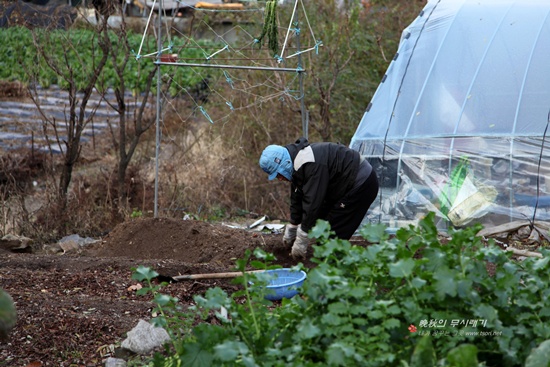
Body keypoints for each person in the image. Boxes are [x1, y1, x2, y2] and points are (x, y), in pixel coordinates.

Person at [259, 137, 379, 259]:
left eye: (278, 174)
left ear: (284, 163)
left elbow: (313, 201)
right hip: (341, 186)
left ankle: (335, 267)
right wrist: (293, 225)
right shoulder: (296, 164)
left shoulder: (310, 163)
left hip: (361, 183)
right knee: (319, 224)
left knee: (330, 239)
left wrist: (302, 236)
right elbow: (297, 196)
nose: (279, 179)